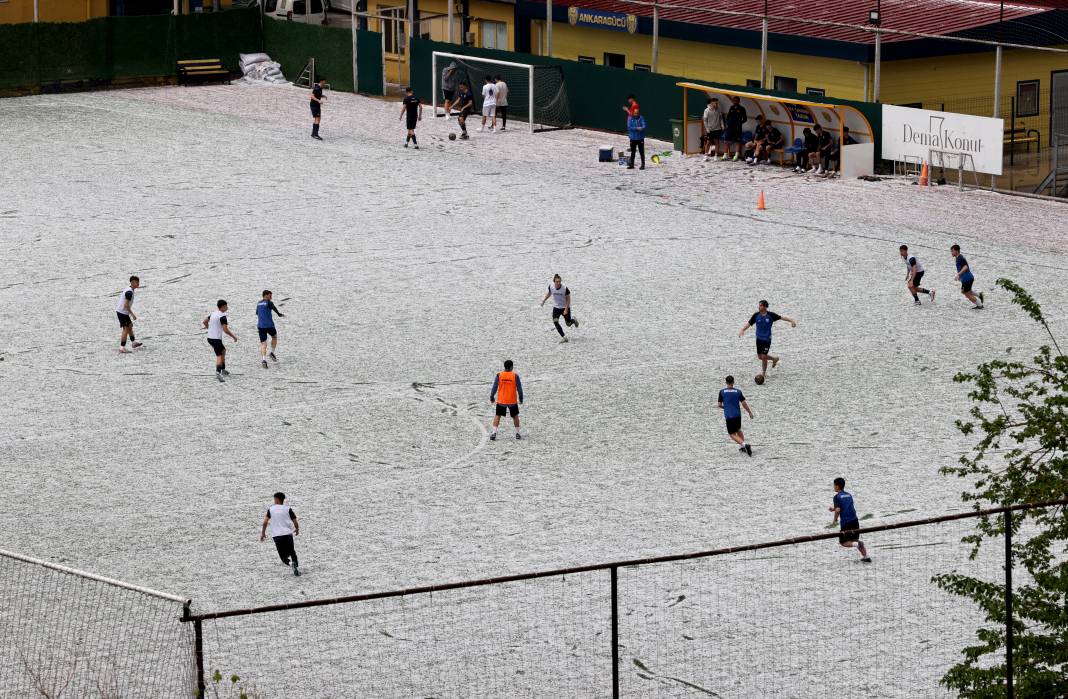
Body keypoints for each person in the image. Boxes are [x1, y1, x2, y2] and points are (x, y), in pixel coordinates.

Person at [738, 300, 797, 380]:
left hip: (766, 339)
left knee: (764, 356)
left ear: (765, 307)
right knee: (760, 357)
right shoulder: (756, 315)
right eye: (759, 306)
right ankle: (774, 359)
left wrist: (792, 321)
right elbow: (749, 323)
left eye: (760, 306)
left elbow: (782, 317)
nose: (759, 307)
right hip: (758, 339)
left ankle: (763, 373)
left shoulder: (771, 315)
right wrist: (742, 330)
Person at [829, 478, 872, 563]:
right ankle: (866, 556)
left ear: (837, 486)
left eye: (834, 485)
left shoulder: (836, 497)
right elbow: (845, 506)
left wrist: (835, 519)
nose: (833, 487)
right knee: (854, 540)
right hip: (855, 520)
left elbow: (838, 510)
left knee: (843, 542)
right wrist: (833, 509)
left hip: (846, 522)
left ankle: (857, 544)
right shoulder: (849, 495)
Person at [260, 492, 301, 576]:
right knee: (292, 552)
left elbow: (265, 522)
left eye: (274, 499)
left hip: (277, 536)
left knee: (283, 557)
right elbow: (295, 520)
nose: (274, 500)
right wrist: (297, 529)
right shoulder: (287, 509)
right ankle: (296, 566)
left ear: (277, 499)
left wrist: (263, 533)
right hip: (287, 534)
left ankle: (290, 563)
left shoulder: (271, 509)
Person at [718, 375, 754, 456]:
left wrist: (725, 407)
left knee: (732, 434)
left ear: (726, 382)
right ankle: (743, 446)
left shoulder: (722, 392)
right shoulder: (738, 392)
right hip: (737, 415)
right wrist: (749, 412)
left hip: (729, 416)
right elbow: (744, 403)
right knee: (738, 429)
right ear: (733, 382)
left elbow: (719, 405)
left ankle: (745, 445)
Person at [203, 299, 238, 382]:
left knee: (223, 350)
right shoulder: (222, 316)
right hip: (216, 339)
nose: (227, 307)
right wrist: (233, 337)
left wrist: (209, 328)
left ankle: (223, 369)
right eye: (226, 306)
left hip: (210, 338)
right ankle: (218, 372)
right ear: (222, 307)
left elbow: (204, 322)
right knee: (219, 355)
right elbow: (225, 330)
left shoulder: (213, 313)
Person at [489, 359, 523, 441]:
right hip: (512, 400)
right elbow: (519, 389)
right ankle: (517, 433)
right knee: (515, 416)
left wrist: (492, 396)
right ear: (511, 367)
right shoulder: (515, 376)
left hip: (501, 400)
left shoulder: (499, 375)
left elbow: (494, 387)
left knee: (498, 416)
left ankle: (494, 433)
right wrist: (521, 398)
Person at [540, 274, 579, 343]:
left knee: (568, 324)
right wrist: (544, 300)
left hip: (564, 307)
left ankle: (574, 320)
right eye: (557, 282)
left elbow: (568, 299)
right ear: (554, 282)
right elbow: (549, 293)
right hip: (556, 308)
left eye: (559, 281)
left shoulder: (564, 288)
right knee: (555, 321)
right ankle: (564, 337)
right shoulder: (551, 287)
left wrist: (566, 309)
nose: (558, 283)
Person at [256, 290, 284, 369]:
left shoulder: (258, 303)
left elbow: (257, 313)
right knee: (274, 336)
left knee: (263, 343)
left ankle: (264, 360)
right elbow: (274, 308)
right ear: (266, 295)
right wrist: (279, 314)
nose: (271, 297)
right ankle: (272, 352)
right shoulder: (269, 302)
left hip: (260, 326)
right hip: (269, 325)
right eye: (270, 296)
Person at [951, 244, 984, 309]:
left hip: (967, 279)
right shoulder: (959, 257)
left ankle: (980, 305)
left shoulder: (960, 258)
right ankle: (979, 295)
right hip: (968, 278)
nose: (951, 253)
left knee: (967, 294)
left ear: (957, 251)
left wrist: (958, 274)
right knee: (965, 291)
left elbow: (965, 267)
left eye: (952, 251)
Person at [115, 275, 143, 353]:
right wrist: (132, 314)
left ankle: (134, 343)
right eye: (137, 282)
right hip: (122, 312)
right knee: (126, 329)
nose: (138, 284)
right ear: (133, 282)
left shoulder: (130, 289)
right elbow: (126, 305)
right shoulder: (129, 292)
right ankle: (122, 347)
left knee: (130, 326)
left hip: (124, 312)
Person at [723, 95, 747, 161]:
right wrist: (728, 123)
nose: (735, 102)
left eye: (736, 101)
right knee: (726, 140)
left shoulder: (742, 109)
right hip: (730, 127)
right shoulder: (731, 107)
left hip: (737, 128)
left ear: (739, 101)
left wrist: (739, 123)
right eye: (734, 101)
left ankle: (736, 155)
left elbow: (745, 119)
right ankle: (725, 155)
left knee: (737, 141)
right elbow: (728, 116)